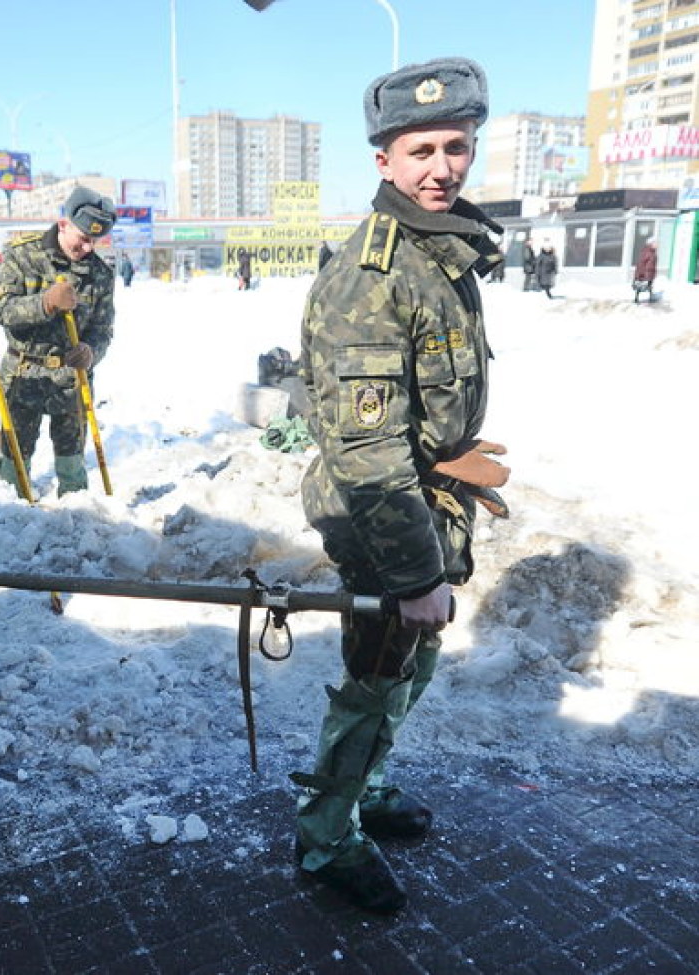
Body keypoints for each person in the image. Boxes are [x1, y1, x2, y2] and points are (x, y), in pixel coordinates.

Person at [294, 57, 509, 914]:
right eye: (420, 149)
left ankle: (366, 787)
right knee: (376, 676)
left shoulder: (437, 247)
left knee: (407, 671)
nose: (441, 167)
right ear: (383, 160)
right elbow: (368, 450)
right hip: (383, 518)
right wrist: (416, 576)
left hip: (427, 509)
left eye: (456, 146)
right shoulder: (374, 275)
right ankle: (323, 836)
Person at [0, 186, 116, 496]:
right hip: (23, 375)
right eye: (82, 238)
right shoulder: (23, 255)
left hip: (71, 380)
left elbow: (102, 329)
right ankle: (11, 517)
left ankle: (74, 523)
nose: (87, 248)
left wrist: (91, 352)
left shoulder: (100, 274)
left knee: (72, 467)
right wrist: (44, 303)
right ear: (63, 224)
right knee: (14, 463)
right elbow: (3, 310)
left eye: (94, 241)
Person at [634, 238, 658, 303]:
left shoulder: (652, 252)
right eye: (655, 243)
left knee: (649, 286)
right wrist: (641, 273)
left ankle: (650, 298)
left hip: (650, 272)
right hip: (646, 273)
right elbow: (641, 263)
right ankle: (636, 298)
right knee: (641, 286)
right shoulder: (647, 252)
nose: (657, 244)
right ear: (651, 244)